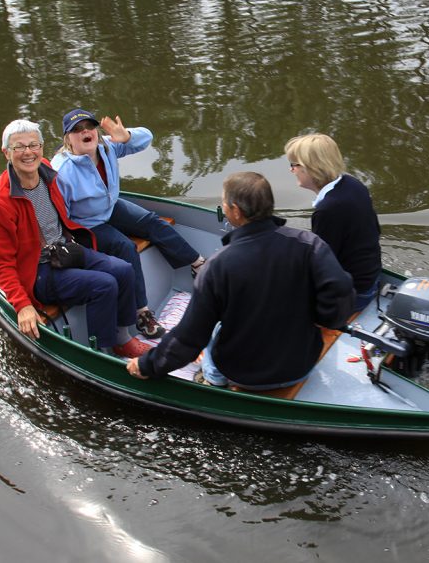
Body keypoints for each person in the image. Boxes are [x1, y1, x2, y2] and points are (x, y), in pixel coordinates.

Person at [126, 172, 354, 389]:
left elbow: (188, 339)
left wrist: (147, 365)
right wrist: (323, 318)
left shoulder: (218, 266)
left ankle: (211, 378)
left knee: (214, 330)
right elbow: (341, 290)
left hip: (244, 375)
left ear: (235, 211)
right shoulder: (309, 244)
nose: (224, 208)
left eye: (224, 203)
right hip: (301, 365)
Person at [0, 119, 150, 358]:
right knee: (104, 285)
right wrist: (22, 305)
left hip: (64, 250)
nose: (28, 152)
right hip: (38, 270)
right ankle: (102, 351)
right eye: (19, 147)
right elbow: (1, 264)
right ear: (6, 152)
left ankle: (122, 339)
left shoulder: (47, 171)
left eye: (33, 145)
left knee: (123, 270)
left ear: (41, 147)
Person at [51, 108, 205, 339]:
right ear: (68, 138)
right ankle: (141, 313)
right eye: (77, 130)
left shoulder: (107, 147)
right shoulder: (62, 169)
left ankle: (198, 264)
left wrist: (127, 137)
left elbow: (147, 138)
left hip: (110, 207)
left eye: (89, 127)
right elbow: (58, 213)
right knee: (125, 247)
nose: (85, 132)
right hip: (85, 224)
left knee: (153, 222)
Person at [283, 133, 382, 311]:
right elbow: (376, 230)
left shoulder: (329, 209)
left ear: (310, 168)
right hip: (371, 277)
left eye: (294, 165)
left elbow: (322, 265)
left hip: (355, 294)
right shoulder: (353, 184)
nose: (292, 170)